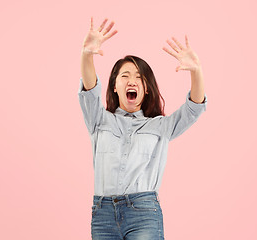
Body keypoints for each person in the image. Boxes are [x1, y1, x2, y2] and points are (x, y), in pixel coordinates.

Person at [78, 17, 207, 240]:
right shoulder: (99, 120)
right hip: (103, 214)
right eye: (125, 76)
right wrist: (86, 54)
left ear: (146, 89)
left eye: (139, 78)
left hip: (143, 213)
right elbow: (89, 88)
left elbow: (193, 108)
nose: (132, 81)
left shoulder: (161, 126)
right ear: (115, 86)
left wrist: (196, 71)